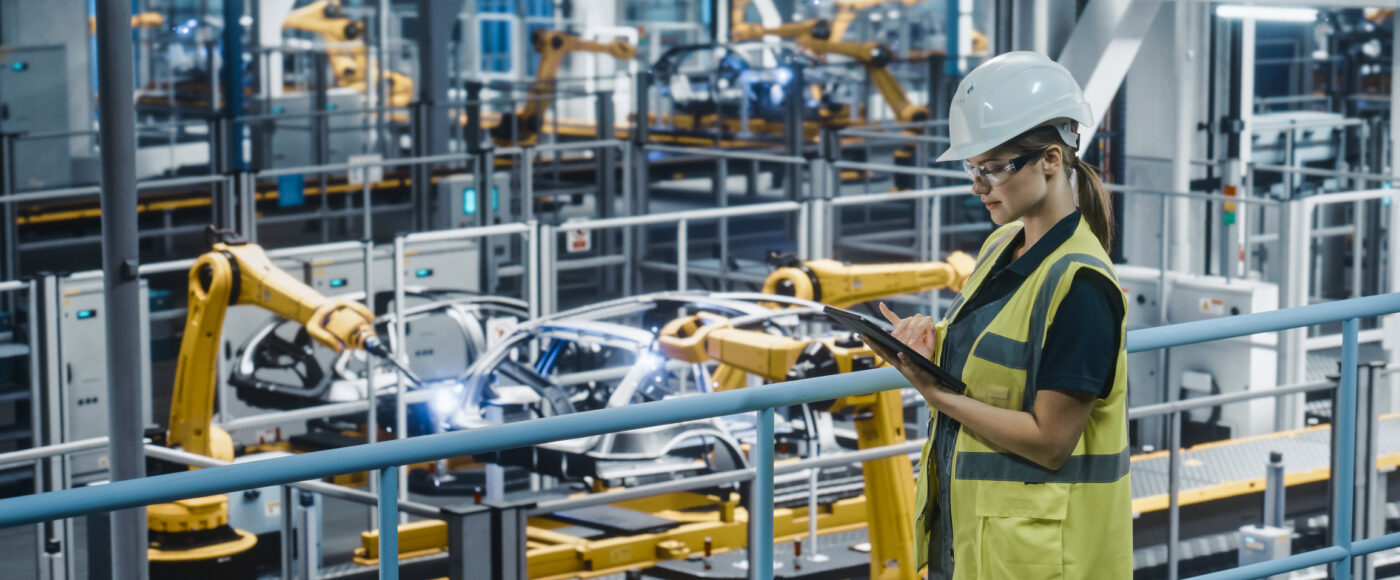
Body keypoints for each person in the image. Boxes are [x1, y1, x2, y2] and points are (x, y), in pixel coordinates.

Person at [858, 51, 1132, 579]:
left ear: (1051, 159)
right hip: (980, 543)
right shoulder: (1003, 243)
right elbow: (998, 354)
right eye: (972, 168)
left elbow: (1051, 443)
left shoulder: (1081, 286)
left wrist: (936, 394)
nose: (977, 185)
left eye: (992, 168)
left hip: (1048, 556)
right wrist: (930, 342)